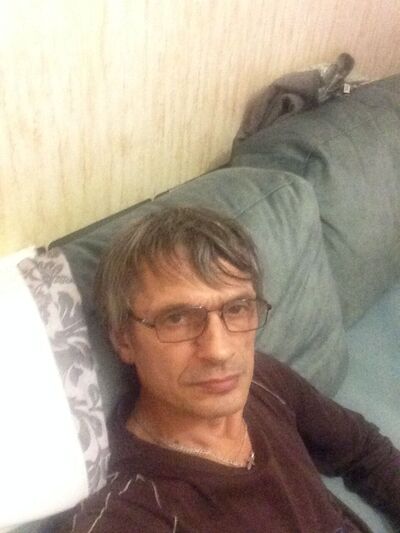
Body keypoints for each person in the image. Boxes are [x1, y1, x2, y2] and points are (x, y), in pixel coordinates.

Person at [54, 206, 400, 532]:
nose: (220, 351)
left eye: (236, 308)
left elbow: (364, 451)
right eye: (177, 318)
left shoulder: (262, 379)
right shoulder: (129, 512)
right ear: (123, 339)